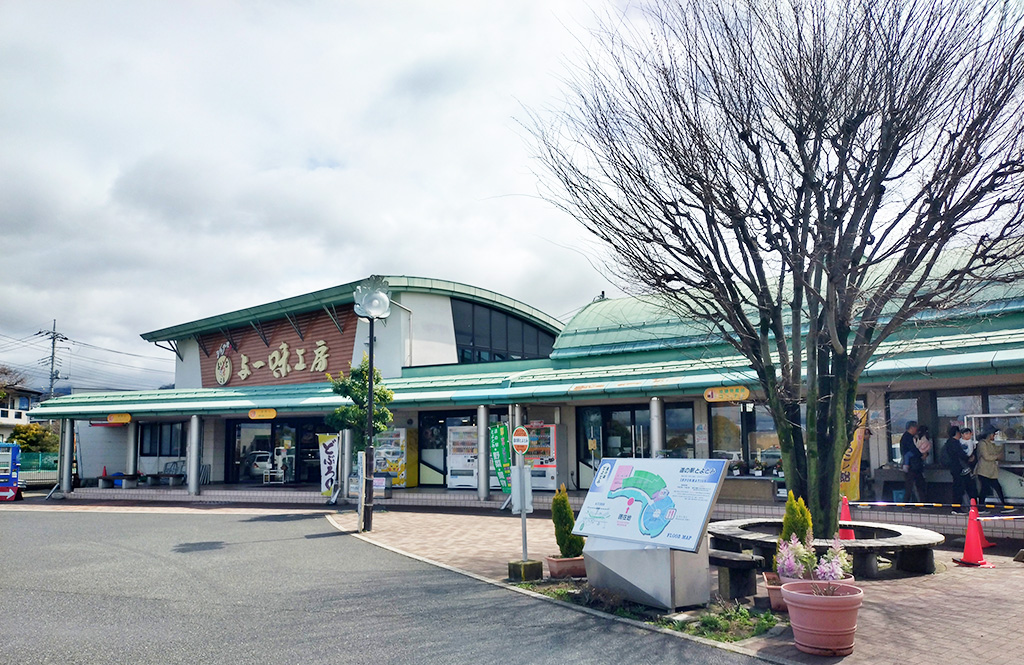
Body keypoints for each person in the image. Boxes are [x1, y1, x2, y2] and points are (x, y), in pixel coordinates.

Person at [942, 425, 977, 513]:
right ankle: (959, 508)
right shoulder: (955, 443)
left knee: (960, 487)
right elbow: (961, 455)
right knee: (962, 488)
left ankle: (962, 507)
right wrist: (969, 458)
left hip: (955, 468)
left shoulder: (948, 443)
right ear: (956, 433)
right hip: (960, 469)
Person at [975, 426, 1006, 507]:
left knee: (995, 488)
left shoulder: (990, 443)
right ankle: (981, 507)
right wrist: (997, 457)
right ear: (989, 434)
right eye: (993, 434)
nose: (994, 436)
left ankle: (1004, 505)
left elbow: (997, 450)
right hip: (983, 470)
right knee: (985, 489)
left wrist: (1002, 442)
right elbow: (986, 456)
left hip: (990, 471)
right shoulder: (982, 443)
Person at [900, 420, 926, 502]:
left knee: (913, 484)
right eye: (916, 428)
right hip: (913, 465)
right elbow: (913, 450)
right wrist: (922, 455)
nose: (917, 430)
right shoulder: (908, 437)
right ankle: (907, 503)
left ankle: (919, 502)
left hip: (912, 464)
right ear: (912, 428)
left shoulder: (907, 437)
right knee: (913, 485)